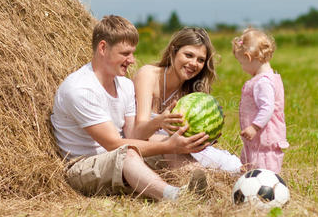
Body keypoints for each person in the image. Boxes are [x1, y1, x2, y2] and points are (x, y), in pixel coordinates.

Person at [50, 15, 210, 201]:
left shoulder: (124, 85)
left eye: (133, 53)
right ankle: (174, 196)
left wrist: (159, 125)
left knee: (162, 142)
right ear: (103, 48)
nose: (132, 60)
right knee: (128, 154)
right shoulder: (80, 89)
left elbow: (134, 135)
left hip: (119, 156)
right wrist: (167, 145)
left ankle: (205, 185)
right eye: (125, 54)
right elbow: (114, 145)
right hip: (82, 167)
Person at [133, 27, 243, 173]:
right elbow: (137, 134)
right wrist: (159, 121)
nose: (194, 63)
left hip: (180, 148)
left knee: (232, 166)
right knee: (176, 151)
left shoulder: (192, 92)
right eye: (188, 55)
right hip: (146, 147)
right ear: (173, 51)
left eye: (201, 60)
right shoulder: (149, 75)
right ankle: (204, 185)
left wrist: (206, 137)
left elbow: (187, 140)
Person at [232, 28, 289, 174]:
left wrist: (254, 127)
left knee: (264, 173)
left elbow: (267, 108)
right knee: (249, 170)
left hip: (264, 141)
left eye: (241, 63)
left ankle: (264, 194)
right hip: (255, 142)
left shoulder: (263, 82)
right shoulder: (267, 78)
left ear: (248, 57)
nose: (242, 68)